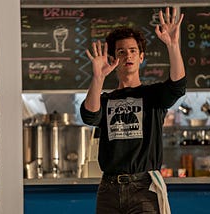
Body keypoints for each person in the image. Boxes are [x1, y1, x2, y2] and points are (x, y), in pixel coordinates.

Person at [80, 7, 186, 214]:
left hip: (144, 187)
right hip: (108, 189)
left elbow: (178, 86)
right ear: (113, 60)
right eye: (121, 52)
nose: (127, 55)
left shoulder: (153, 96)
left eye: (133, 51)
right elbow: (90, 116)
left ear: (141, 57)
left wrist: (173, 45)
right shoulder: (106, 99)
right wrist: (98, 78)